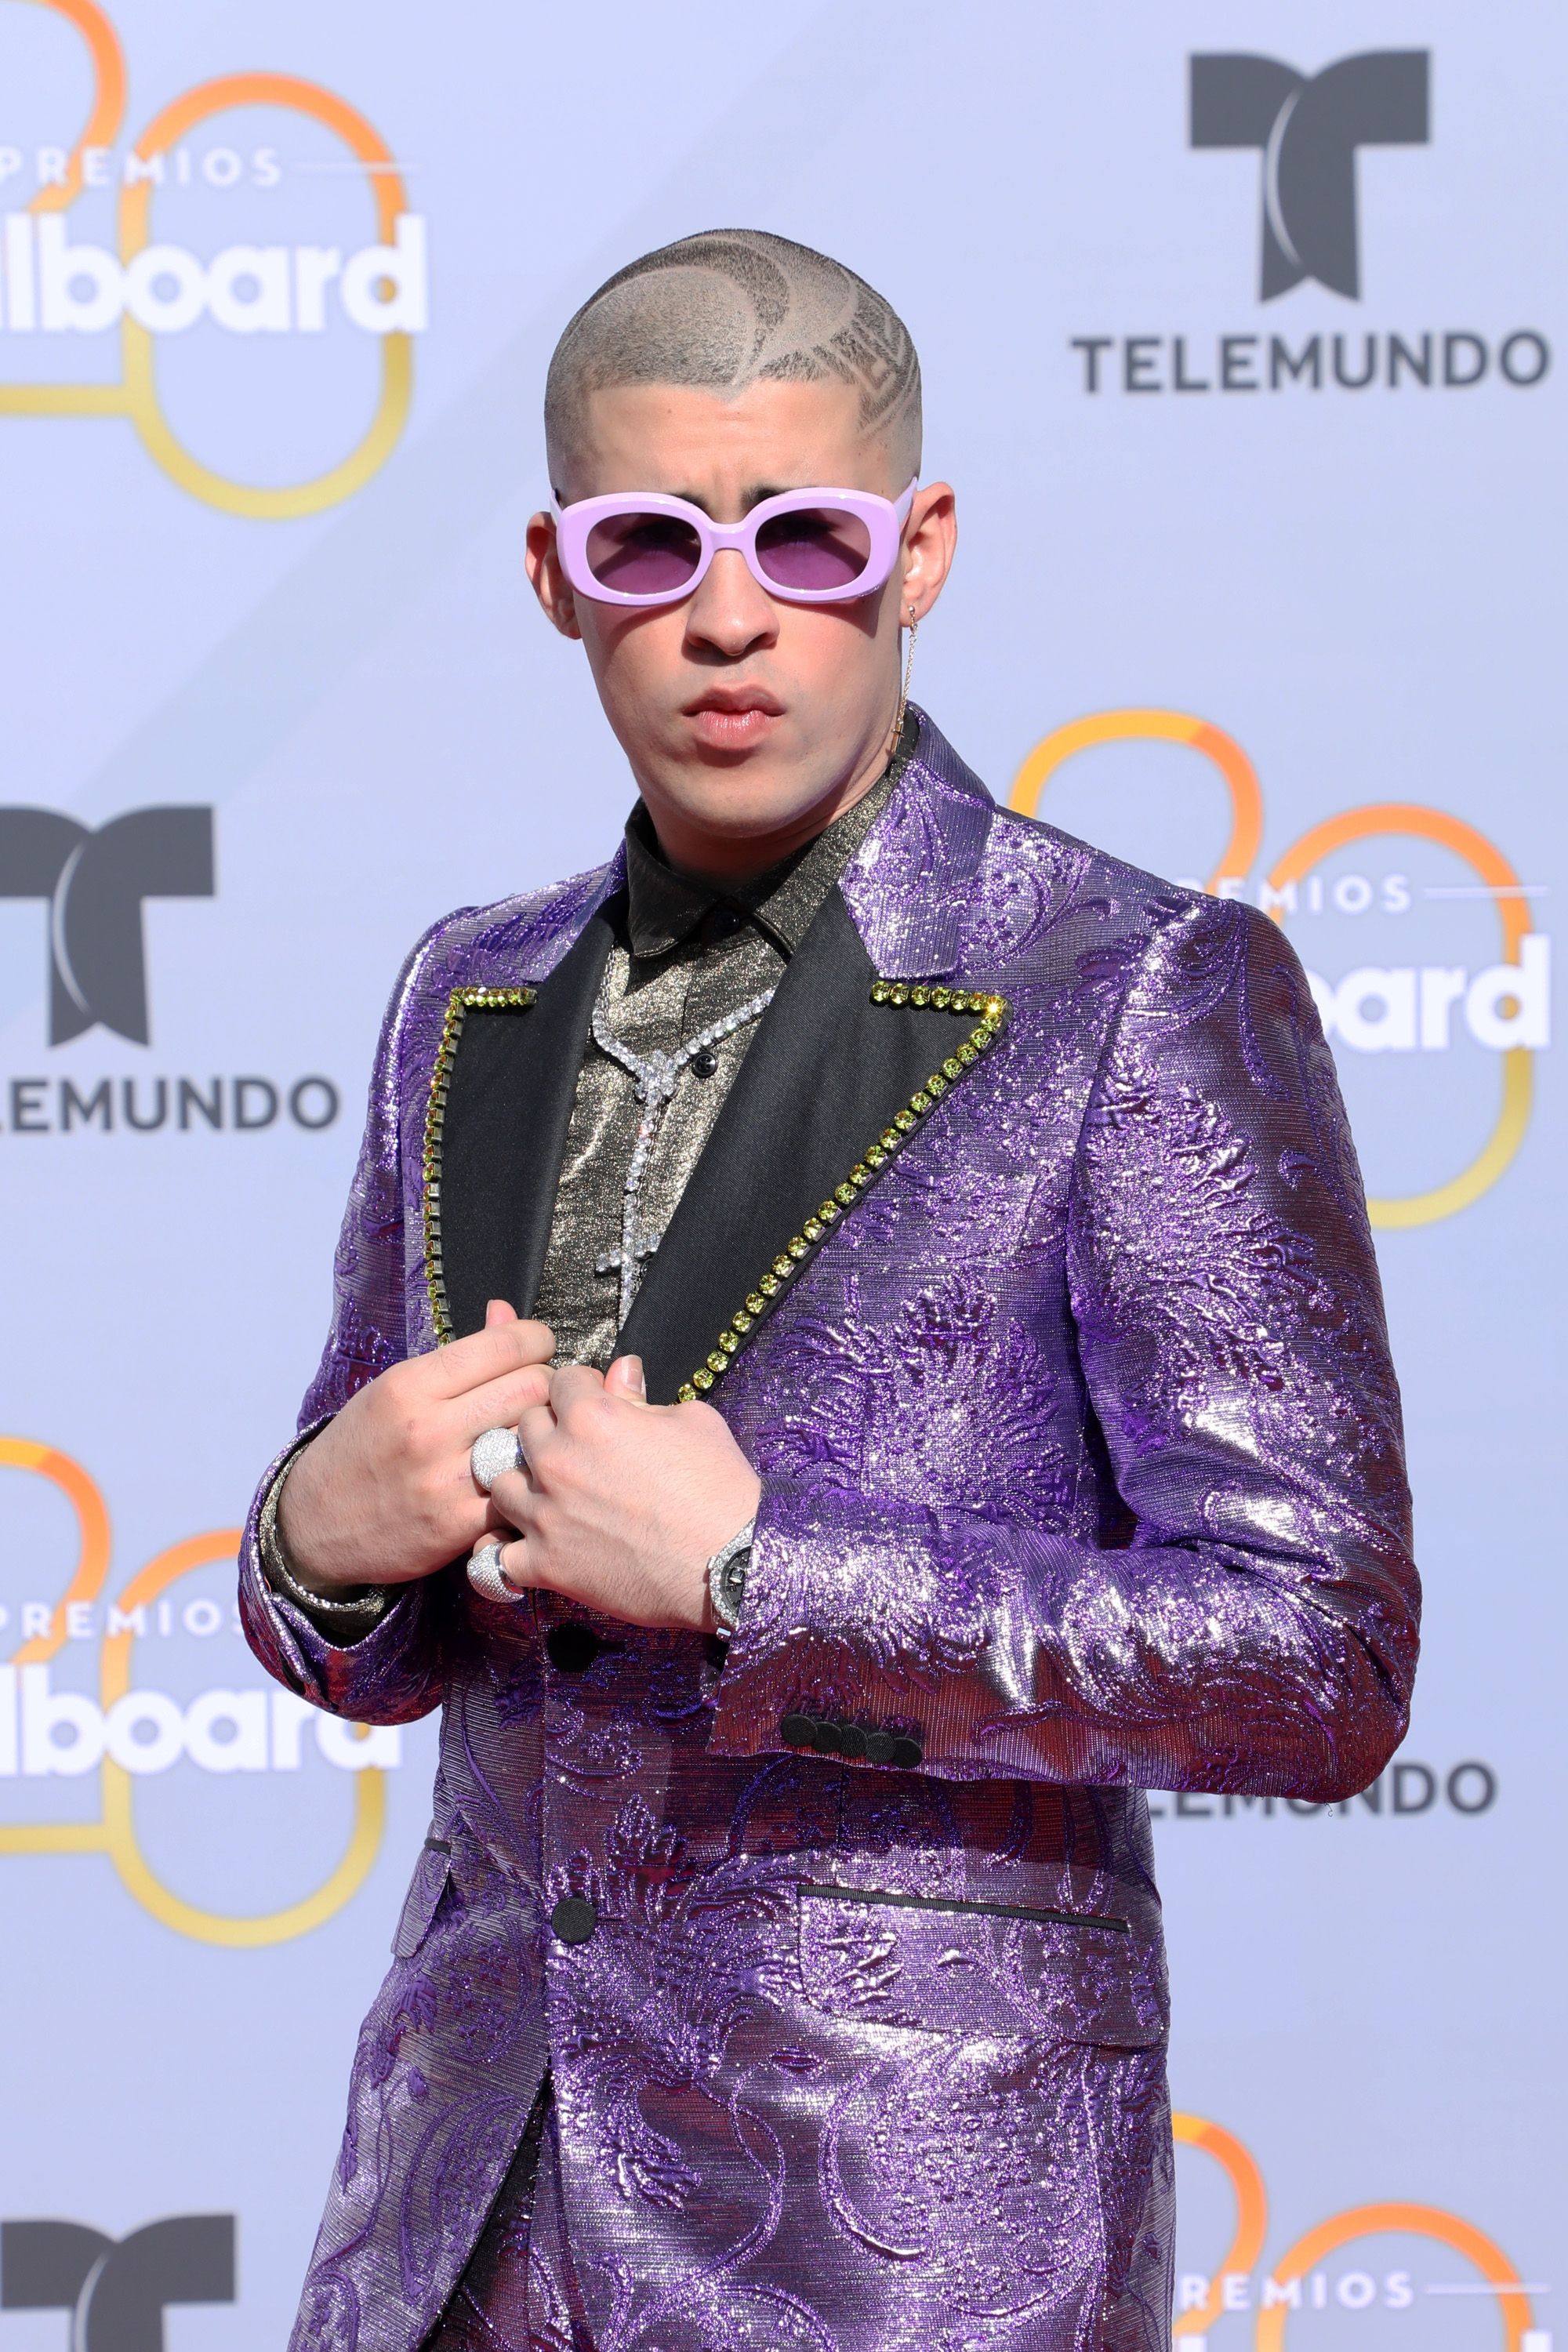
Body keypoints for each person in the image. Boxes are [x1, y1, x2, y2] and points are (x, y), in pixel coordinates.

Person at [240, 229, 1418, 2352]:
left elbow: (1319, 1661)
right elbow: (377, 1619)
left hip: (902, 2248)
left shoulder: (1132, 990)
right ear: (552, 570)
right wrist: (310, 1549)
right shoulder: (466, 991)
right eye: (648, 542)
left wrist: (764, 1576)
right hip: (461, 2215)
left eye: (802, 532)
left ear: (922, 545)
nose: (723, 614)